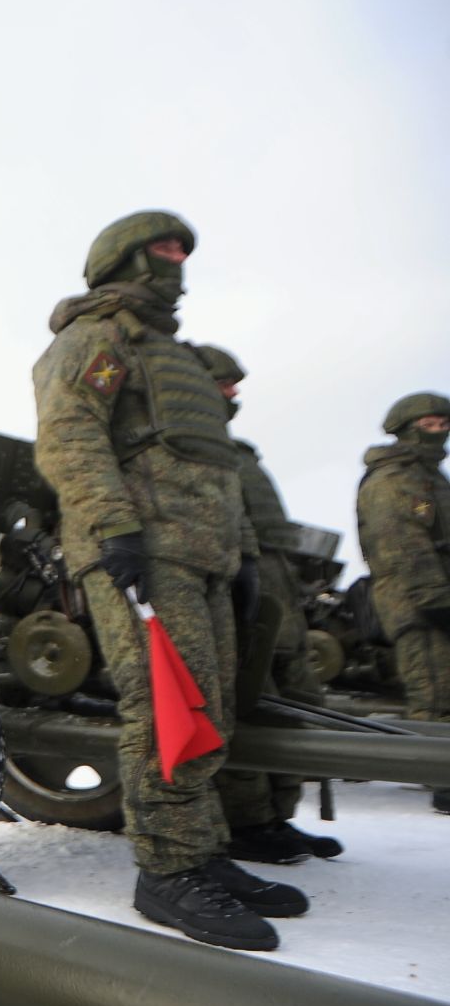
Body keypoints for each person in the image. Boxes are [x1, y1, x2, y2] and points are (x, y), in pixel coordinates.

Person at [31, 212, 307, 950]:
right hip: (144, 551)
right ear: (127, 260)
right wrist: (114, 526)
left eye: (184, 249)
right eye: (166, 248)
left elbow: (217, 467)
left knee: (209, 707)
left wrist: (243, 552)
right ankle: (168, 867)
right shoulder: (96, 338)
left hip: (204, 555)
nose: (179, 259)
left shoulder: (173, 354)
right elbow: (69, 435)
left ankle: (203, 850)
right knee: (164, 705)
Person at [194, 345, 343, 862]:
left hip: (277, 593)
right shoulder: (192, 448)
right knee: (250, 706)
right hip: (240, 593)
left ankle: (279, 815)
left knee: (295, 703)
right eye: (223, 384)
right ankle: (248, 823)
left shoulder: (237, 451)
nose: (234, 393)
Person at [357, 392, 450, 814]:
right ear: (406, 428)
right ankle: (442, 782)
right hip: (420, 603)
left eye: (444, 423)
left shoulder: (427, 479)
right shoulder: (396, 479)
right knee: (435, 694)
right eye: (430, 424)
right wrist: (435, 600)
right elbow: (402, 545)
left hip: (434, 597)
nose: (441, 431)